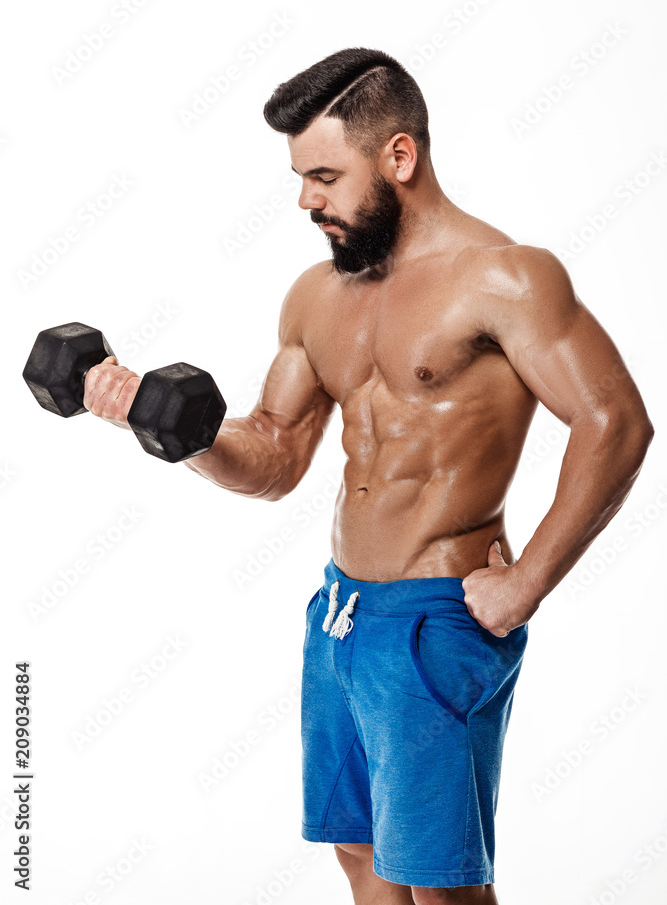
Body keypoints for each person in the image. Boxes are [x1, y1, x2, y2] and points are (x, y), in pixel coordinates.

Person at [83, 47, 654, 904]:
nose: (306, 200)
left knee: (438, 884)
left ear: (399, 156)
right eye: (299, 178)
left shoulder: (505, 278)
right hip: (341, 612)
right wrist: (171, 429)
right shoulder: (318, 294)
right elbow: (273, 456)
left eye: (322, 175)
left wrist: (527, 582)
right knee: (359, 852)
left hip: (436, 620)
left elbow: (615, 420)